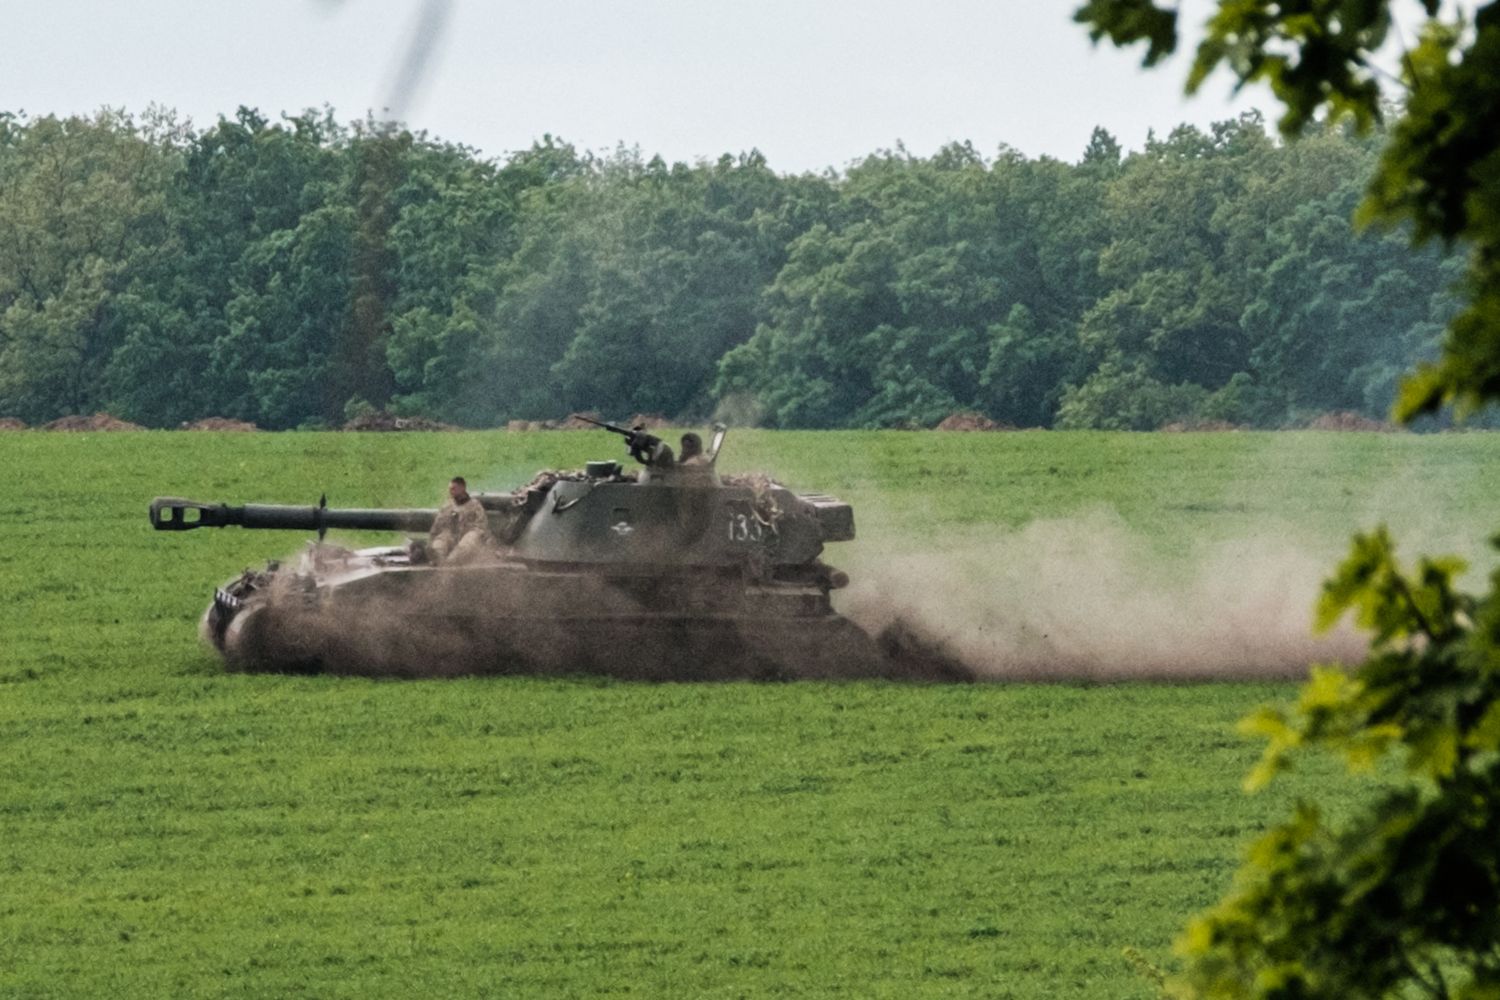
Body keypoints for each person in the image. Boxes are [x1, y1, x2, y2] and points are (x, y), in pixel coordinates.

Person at [428, 476, 493, 563]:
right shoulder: (447, 506)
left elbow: (481, 527)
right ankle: (440, 562)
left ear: (462, 488)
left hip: (468, 539)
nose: (451, 491)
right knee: (438, 545)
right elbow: (437, 526)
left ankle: (451, 562)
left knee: (468, 542)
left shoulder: (475, 506)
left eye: (454, 489)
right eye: (450, 489)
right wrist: (432, 541)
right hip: (450, 537)